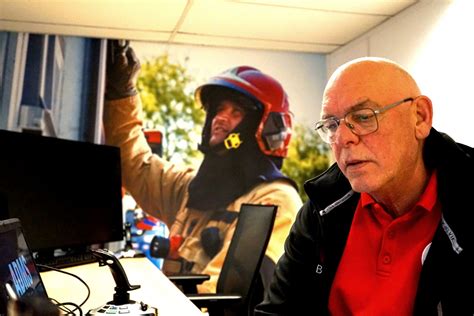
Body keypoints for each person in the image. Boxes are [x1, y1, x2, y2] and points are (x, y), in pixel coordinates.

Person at [254, 57, 473, 315]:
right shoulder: (322, 207)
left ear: (420, 117)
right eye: (332, 125)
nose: (343, 138)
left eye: (363, 117)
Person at [103, 43, 302, 294]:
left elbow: (226, 296)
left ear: (267, 128)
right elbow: (136, 166)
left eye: (236, 112)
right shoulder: (193, 189)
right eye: (218, 109)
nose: (220, 118)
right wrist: (123, 94)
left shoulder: (274, 201)